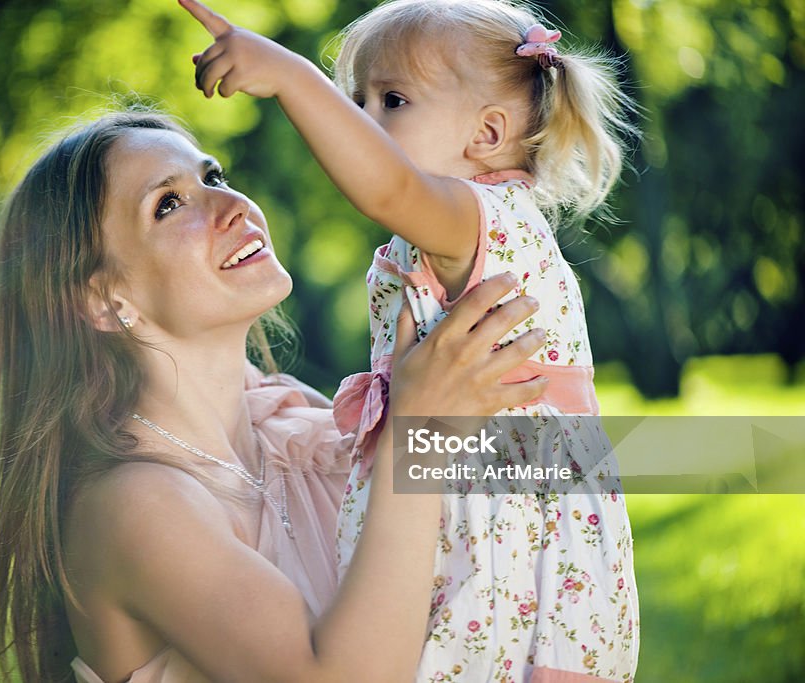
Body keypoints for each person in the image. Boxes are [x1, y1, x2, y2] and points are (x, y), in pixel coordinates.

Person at [0, 108, 547, 683]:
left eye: (214, 176)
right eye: (169, 204)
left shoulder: (289, 422)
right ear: (104, 302)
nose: (232, 205)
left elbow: (577, 470)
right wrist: (420, 434)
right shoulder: (132, 504)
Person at [179, 0, 639, 679]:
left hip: (509, 517)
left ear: (486, 133)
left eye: (391, 100)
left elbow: (387, 185)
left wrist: (290, 76)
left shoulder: (476, 215)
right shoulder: (456, 229)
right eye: (354, 100)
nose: (363, 123)